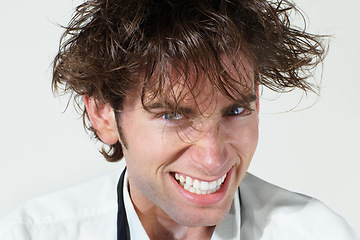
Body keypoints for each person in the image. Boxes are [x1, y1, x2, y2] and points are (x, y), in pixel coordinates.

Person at [0, 0, 358, 239]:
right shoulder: (32, 234)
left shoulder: (315, 232)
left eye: (234, 111)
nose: (212, 158)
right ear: (103, 114)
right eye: (172, 115)